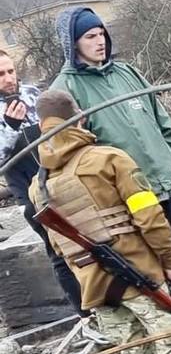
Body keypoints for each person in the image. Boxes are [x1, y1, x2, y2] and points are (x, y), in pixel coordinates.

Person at [27, 90, 171, 354]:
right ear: (80, 118)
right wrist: (170, 263)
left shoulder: (38, 187)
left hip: (98, 292)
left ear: (41, 127)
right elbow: (150, 218)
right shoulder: (109, 159)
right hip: (142, 278)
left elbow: (60, 249)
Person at [50, 7, 171, 327]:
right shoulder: (64, 90)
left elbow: (163, 122)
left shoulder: (128, 73)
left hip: (166, 183)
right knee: (149, 269)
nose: (100, 42)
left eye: (101, 34)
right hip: (126, 197)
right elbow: (70, 153)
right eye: (90, 36)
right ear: (72, 43)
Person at [0, 50, 99, 339]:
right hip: (28, 192)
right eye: (0, 75)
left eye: (10, 71)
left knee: (91, 239)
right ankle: (87, 317)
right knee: (58, 251)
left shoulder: (34, 95)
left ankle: (109, 302)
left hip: (63, 181)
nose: (8, 79)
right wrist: (10, 127)